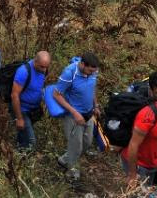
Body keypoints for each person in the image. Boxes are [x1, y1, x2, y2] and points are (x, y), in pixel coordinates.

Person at [54, 53, 101, 181]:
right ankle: (72, 174)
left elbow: (92, 88)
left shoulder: (93, 72)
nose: (92, 73)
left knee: (87, 142)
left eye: (94, 71)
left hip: (88, 113)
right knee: (76, 146)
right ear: (82, 64)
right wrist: (75, 113)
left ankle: (64, 160)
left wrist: (95, 105)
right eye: (90, 70)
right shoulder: (70, 73)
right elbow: (56, 95)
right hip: (73, 116)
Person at [11, 51, 51, 151]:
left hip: (33, 109)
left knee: (23, 134)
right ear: (35, 61)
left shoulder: (44, 69)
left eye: (46, 67)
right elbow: (14, 95)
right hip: (22, 109)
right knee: (31, 141)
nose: (44, 69)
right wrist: (19, 118)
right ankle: (22, 160)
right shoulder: (23, 72)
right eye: (42, 66)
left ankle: (19, 151)